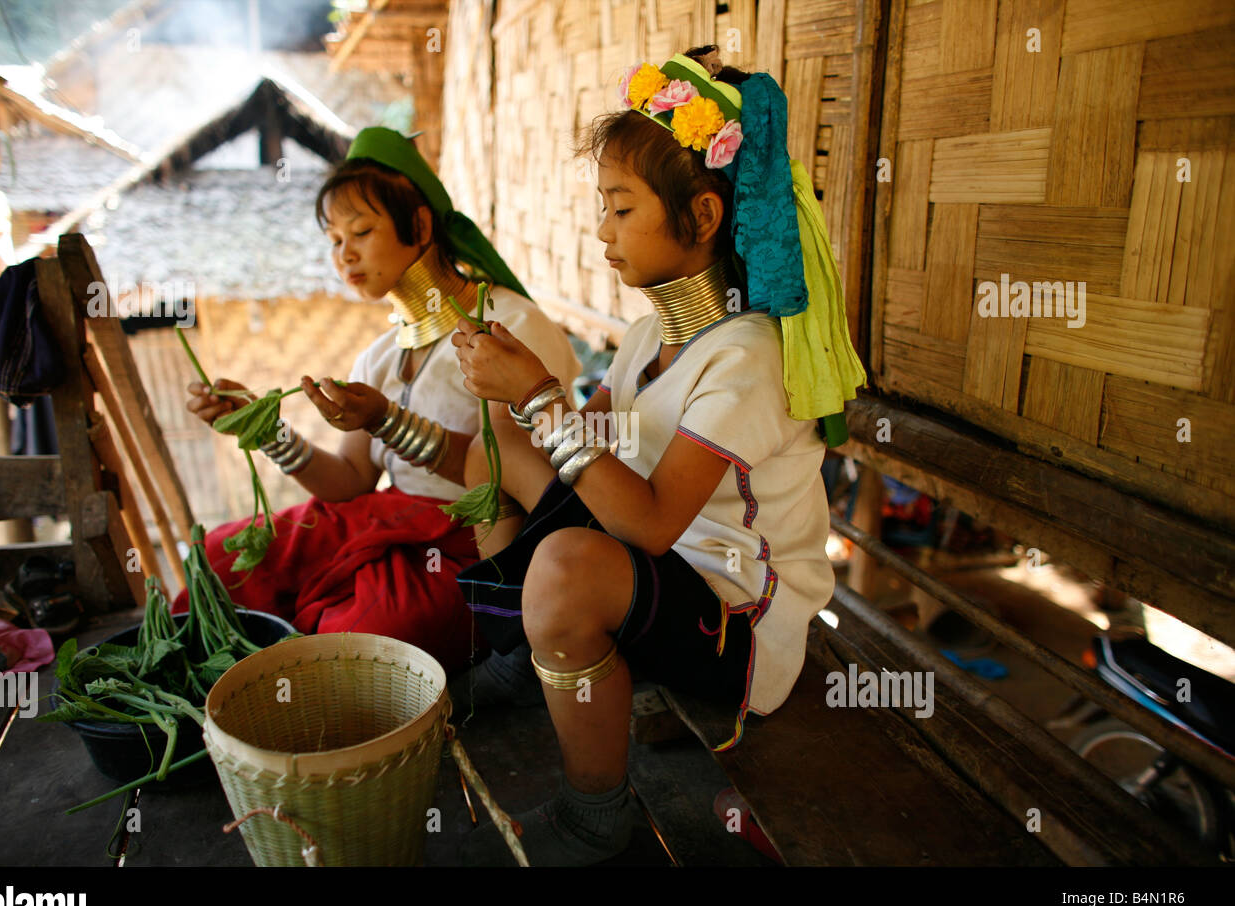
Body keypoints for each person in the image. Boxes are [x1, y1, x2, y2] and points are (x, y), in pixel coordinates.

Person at [450, 46, 866, 864]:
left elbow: (646, 521)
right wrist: (519, 402)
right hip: (660, 561)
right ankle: (522, 653)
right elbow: (599, 441)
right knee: (491, 450)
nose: (601, 232)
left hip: (738, 614)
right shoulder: (650, 335)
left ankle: (594, 813)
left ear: (703, 218)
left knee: (565, 568)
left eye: (621, 208)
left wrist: (541, 394)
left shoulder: (747, 359)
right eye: (602, 208)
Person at [180, 127, 581, 674]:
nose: (344, 254)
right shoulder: (379, 355)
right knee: (216, 560)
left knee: (362, 639)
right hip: (382, 519)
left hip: (470, 541)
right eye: (334, 240)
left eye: (362, 231)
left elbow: (516, 474)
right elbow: (350, 482)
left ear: (419, 225)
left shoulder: (511, 327)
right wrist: (264, 427)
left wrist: (388, 421)